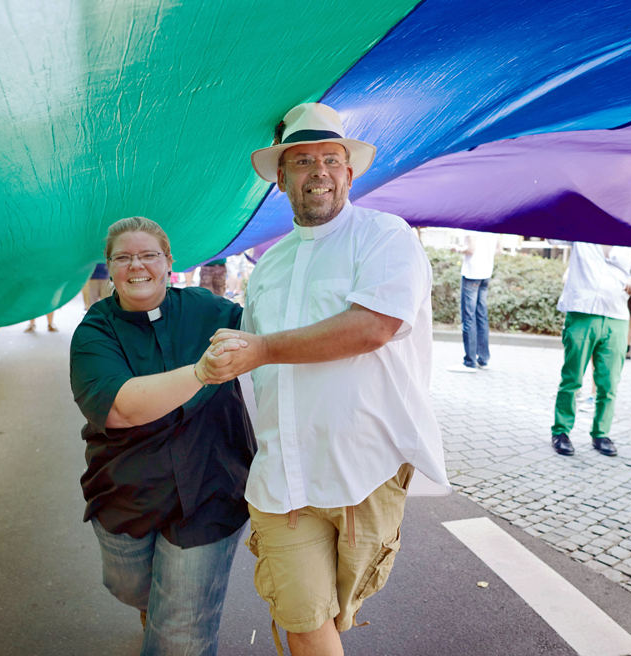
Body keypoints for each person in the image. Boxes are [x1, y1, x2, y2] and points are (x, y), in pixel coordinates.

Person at [201, 102, 449, 656]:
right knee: (304, 616)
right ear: (282, 179)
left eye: (331, 160)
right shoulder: (268, 266)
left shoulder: (386, 236)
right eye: (304, 160)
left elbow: (374, 326)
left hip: (366, 467)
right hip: (283, 476)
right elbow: (255, 370)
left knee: (337, 614)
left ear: (349, 173)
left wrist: (262, 348)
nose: (319, 171)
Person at [68, 217, 256, 656]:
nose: (138, 266)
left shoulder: (209, 310)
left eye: (149, 255)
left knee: (179, 635)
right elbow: (119, 407)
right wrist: (200, 373)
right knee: (132, 587)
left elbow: (271, 330)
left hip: (212, 489)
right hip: (126, 492)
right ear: (110, 268)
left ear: (169, 262)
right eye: (124, 257)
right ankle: (152, 607)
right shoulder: (94, 331)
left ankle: (168, 621)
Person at [548, 241, 631, 457]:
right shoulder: (582, 227)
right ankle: (561, 431)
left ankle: (601, 433)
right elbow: (552, 235)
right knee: (572, 378)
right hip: (581, 312)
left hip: (616, 316)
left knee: (609, 382)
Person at [449, 230, 501, 372]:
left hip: (472, 273)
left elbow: (470, 250)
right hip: (486, 274)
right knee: (481, 317)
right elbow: (498, 250)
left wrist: (457, 248)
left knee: (469, 317)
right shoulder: (492, 224)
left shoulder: (471, 225)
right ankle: (483, 360)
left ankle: (469, 362)